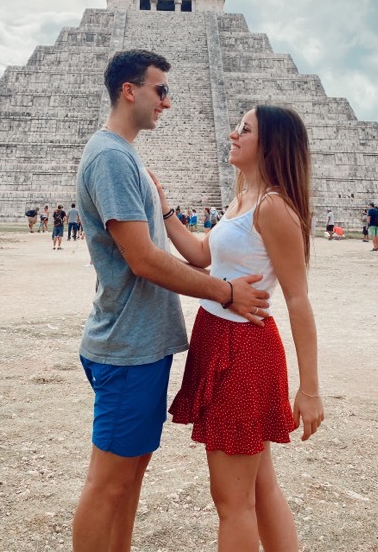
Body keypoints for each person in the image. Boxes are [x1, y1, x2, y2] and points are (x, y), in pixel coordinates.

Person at [72, 49, 269, 552]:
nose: (168, 102)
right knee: (108, 483)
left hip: (142, 344)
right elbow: (142, 259)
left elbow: (161, 249)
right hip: (126, 346)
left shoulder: (124, 154)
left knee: (129, 477)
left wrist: (170, 211)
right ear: (129, 90)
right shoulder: (112, 157)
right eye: (161, 90)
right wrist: (227, 292)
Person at [159, 104, 323, 550]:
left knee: (233, 502)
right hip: (219, 336)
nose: (233, 134)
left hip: (244, 349)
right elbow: (199, 255)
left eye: (244, 129)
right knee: (259, 489)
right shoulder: (242, 198)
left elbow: (298, 300)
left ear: (269, 145)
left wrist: (309, 389)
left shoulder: (273, 207)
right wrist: (165, 209)